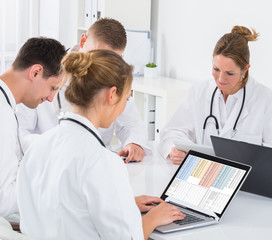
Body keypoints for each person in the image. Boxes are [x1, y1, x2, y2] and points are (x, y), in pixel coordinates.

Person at [17, 50, 185, 240]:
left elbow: (65, 209)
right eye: (127, 98)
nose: (124, 106)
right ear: (112, 95)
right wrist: (153, 218)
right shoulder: (103, 162)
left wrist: (124, 204)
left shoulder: (37, 148)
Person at [16, 18, 150, 163]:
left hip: (96, 162)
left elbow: (131, 122)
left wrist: (134, 143)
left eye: (112, 59)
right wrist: (57, 146)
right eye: (98, 54)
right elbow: (21, 135)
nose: (102, 64)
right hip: (50, 161)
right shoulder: (46, 69)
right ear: (83, 40)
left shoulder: (113, 76)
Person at [159, 26, 272, 164]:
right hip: (202, 173)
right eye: (216, 69)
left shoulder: (267, 100)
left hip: (245, 180)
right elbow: (173, 131)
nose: (220, 79)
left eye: (229, 73)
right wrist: (174, 149)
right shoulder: (199, 91)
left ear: (245, 69)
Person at [0, 37, 66, 220]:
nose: (51, 98)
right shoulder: (3, 114)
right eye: (53, 88)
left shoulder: (6, 105)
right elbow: (3, 201)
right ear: (36, 72)